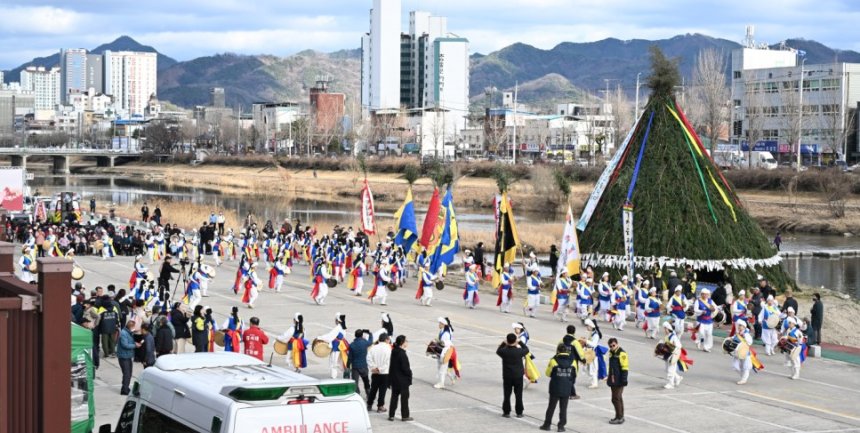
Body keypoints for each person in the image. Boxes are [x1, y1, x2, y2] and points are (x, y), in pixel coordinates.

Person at [539, 343, 574, 432]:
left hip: (555, 387)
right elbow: (574, 374)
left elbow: (548, 373)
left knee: (551, 407)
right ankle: (561, 426)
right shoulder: (572, 361)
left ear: (558, 350)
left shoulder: (553, 360)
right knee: (563, 408)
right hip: (567, 387)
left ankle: (547, 425)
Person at [496, 332, 529, 418]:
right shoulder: (519, 351)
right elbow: (526, 349)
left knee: (507, 395)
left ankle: (506, 412)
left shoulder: (504, 351)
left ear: (507, 341)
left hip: (507, 376)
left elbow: (498, 350)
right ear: (515, 341)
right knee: (519, 395)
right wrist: (519, 342)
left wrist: (503, 343)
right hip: (518, 376)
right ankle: (519, 412)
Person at [389, 335, 413, 422]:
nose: (407, 342)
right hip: (402, 380)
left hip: (395, 379)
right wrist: (410, 375)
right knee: (404, 399)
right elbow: (405, 368)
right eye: (406, 341)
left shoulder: (394, 351)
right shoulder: (402, 354)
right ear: (402, 343)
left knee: (394, 398)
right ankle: (405, 416)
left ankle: (391, 415)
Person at [366, 333, 392, 414]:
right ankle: (380, 406)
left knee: (373, 389)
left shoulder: (373, 348)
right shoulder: (388, 349)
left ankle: (369, 404)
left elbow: (368, 358)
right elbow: (388, 362)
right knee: (382, 391)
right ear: (386, 340)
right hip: (384, 373)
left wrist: (373, 367)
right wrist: (380, 369)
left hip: (375, 372)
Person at [318, 313, 349, 379]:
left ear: (337, 320)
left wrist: (320, 337)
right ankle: (346, 373)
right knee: (341, 360)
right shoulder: (343, 327)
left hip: (336, 346)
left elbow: (329, 336)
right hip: (342, 346)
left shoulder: (337, 328)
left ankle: (334, 376)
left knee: (334, 362)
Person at [606, 338, 628, 425]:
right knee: (618, 398)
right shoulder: (611, 353)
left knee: (615, 398)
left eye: (613, 345)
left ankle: (619, 417)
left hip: (619, 380)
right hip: (613, 379)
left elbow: (625, 368)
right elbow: (611, 367)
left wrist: (624, 380)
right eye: (610, 346)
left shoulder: (621, 353)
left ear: (617, 344)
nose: (612, 347)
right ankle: (619, 416)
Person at [117, 319, 141, 395]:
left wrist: (134, 343)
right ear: (130, 327)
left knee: (129, 373)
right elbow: (125, 345)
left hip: (128, 356)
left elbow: (129, 342)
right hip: (123, 356)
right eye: (133, 327)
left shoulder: (129, 332)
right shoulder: (124, 333)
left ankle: (125, 387)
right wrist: (135, 345)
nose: (134, 328)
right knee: (127, 373)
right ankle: (124, 390)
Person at [434, 317, 459, 389]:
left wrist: (439, 342)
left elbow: (446, 343)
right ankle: (452, 378)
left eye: (440, 323)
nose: (439, 324)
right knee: (441, 368)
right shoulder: (442, 331)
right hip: (441, 351)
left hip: (445, 352)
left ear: (443, 324)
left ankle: (441, 383)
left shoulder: (446, 333)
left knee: (443, 369)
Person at [348, 329, 372, 398]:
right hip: (364, 366)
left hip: (355, 367)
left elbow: (350, 357)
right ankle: (368, 394)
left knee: (355, 382)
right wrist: (369, 333)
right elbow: (371, 341)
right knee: (366, 381)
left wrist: (347, 366)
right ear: (362, 335)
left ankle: (357, 395)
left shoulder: (352, 345)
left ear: (355, 335)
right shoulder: (365, 342)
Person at [661, 322, 683, 389]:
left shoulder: (674, 337)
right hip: (667, 355)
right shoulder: (667, 336)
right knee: (667, 369)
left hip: (673, 355)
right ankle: (678, 378)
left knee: (670, 370)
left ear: (668, 329)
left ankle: (671, 384)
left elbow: (679, 346)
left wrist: (673, 350)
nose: (664, 330)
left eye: (665, 329)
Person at [731, 320, 754, 385]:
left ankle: (744, 379)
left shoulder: (746, 334)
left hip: (745, 353)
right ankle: (743, 377)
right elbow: (733, 338)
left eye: (740, 325)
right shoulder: (738, 333)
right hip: (737, 353)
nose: (739, 327)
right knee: (735, 366)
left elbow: (750, 342)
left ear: (744, 326)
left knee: (746, 367)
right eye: (738, 325)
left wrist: (744, 338)